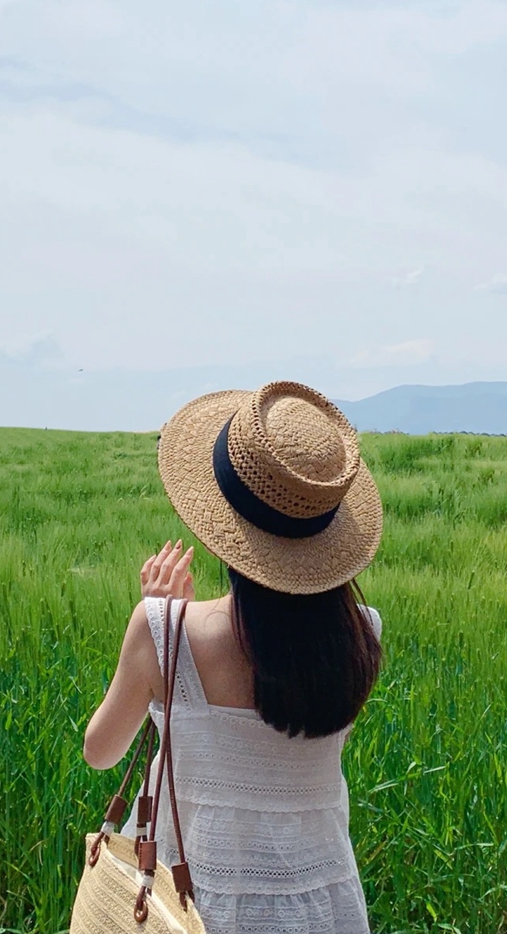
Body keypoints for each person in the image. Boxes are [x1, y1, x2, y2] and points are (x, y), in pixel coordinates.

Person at [83, 381, 384, 934]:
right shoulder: (360, 633)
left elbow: (101, 752)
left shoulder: (162, 632)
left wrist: (162, 622)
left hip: (195, 909)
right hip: (326, 907)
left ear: (224, 521)